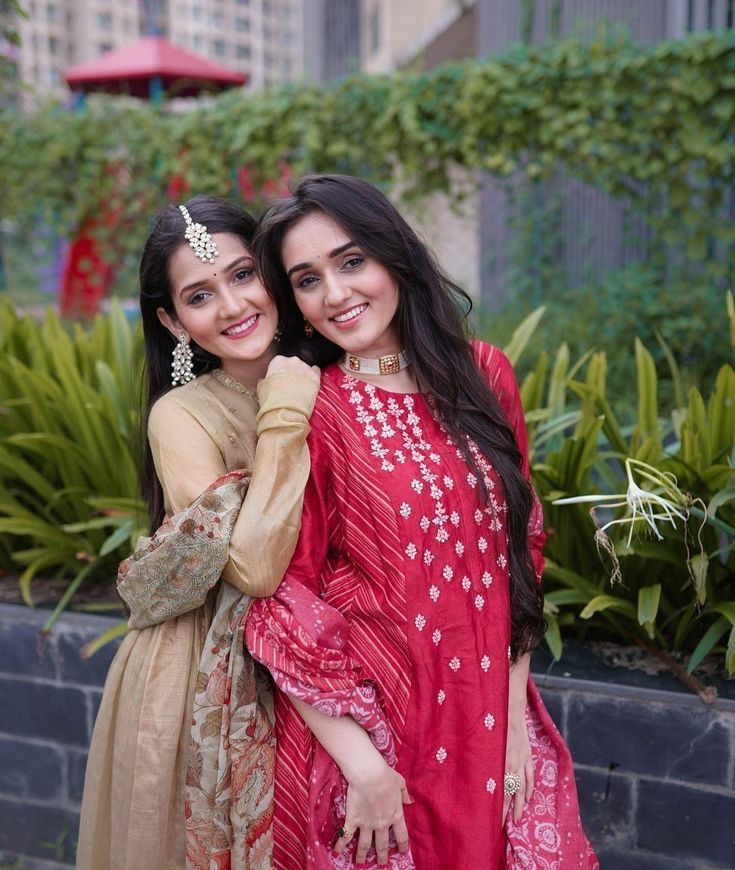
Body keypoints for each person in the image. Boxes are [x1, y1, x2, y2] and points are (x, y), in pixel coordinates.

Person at [246, 175, 598, 869]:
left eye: (351, 262)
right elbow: (284, 600)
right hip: (380, 732)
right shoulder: (317, 410)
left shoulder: (483, 376)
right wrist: (364, 769)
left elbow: (518, 553)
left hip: (490, 714)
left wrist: (515, 722)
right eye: (307, 280)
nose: (338, 293)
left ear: (393, 256)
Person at [77, 196, 320, 870]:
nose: (233, 305)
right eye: (199, 295)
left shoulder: (336, 374)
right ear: (171, 320)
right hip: (201, 666)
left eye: (244, 275)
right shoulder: (180, 415)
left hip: (321, 655)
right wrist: (284, 409)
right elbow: (254, 568)